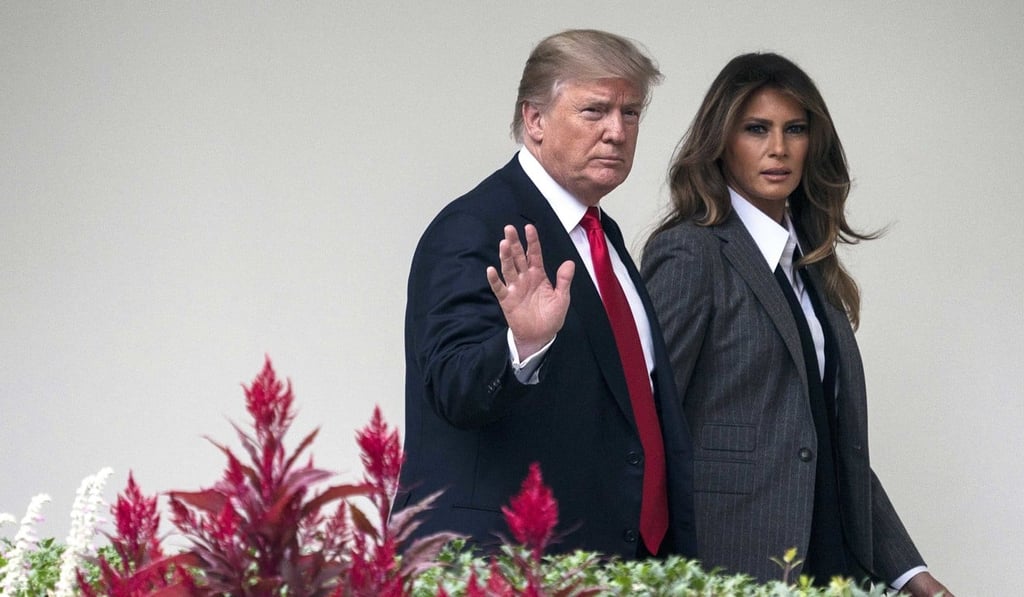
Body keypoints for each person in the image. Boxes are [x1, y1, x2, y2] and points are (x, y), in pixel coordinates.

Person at [641, 52, 952, 595]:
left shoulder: (810, 263)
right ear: (721, 141)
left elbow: (831, 443)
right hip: (732, 566)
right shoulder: (691, 254)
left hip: (832, 561)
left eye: (795, 130)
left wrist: (910, 572)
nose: (778, 149)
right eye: (756, 129)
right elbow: (648, 425)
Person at [395, 29, 697, 560]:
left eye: (630, 114)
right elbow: (451, 387)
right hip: (510, 565)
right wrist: (521, 346)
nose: (617, 132)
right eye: (594, 111)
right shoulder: (475, 225)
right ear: (534, 120)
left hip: (620, 563)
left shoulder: (603, 237)